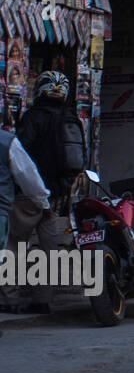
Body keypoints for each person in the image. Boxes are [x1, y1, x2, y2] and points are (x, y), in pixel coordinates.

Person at [12, 71, 84, 313]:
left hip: (30, 192)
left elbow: (20, 154)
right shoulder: (70, 118)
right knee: (50, 247)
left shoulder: (34, 117)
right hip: (57, 194)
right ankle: (43, 300)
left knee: (14, 243)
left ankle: (8, 299)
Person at [0, 128, 52, 312]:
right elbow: (28, 175)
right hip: (4, 208)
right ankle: (11, 300)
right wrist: (43, 202)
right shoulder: (6, 141)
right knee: (7, 252)